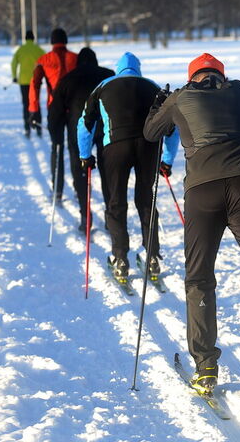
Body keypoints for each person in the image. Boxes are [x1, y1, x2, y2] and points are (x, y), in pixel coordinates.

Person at [144, 52, 240, 395]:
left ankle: (206, 365)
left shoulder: (181, 96)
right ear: (220, 76)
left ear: (193, 76)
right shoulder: (239, 90)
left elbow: (151, 133)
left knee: (199, 276)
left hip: (203, 191)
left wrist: (159, 104)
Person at [77, 52, 170, 285]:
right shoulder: (153, 87)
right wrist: (167, 159)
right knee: (146, 199)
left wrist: (84, 155)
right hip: (148, 147)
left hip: (115, 148)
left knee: (116, 201)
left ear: (118, 69)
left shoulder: (103, 86)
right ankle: (152, 257)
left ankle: (120, 259)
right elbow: (172, 126)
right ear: (138, 69)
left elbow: (85, 123)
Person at [49, 47, 113, 231]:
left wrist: (56, 137)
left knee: (80, 170)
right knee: (108, 171)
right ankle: (111, 215)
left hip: (79, 130)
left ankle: (86, 215)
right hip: (107, 128)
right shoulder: (108, 75)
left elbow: (55, 112)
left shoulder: (68, 79)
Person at [29, 28, 77, 199]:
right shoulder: (76, 58)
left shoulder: (43, 60)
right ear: (66, 41)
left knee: (57, 148)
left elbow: (34, 84)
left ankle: (57, 189)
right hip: (73, 109)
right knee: (75, 148)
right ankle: (79, 189)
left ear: (51, 41)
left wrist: (34, 109)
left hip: (54, 109)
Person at [10, 30, 44, 138]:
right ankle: (38, 127)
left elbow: (13, 63)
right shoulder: (38, 50)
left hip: (24, 81)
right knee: (36, 103)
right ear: (33, 38)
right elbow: (46, 62)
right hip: (36, 81)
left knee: (26, 104)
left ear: (25, 39)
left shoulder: (20, 50)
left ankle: (27, 128)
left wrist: (14, 76)